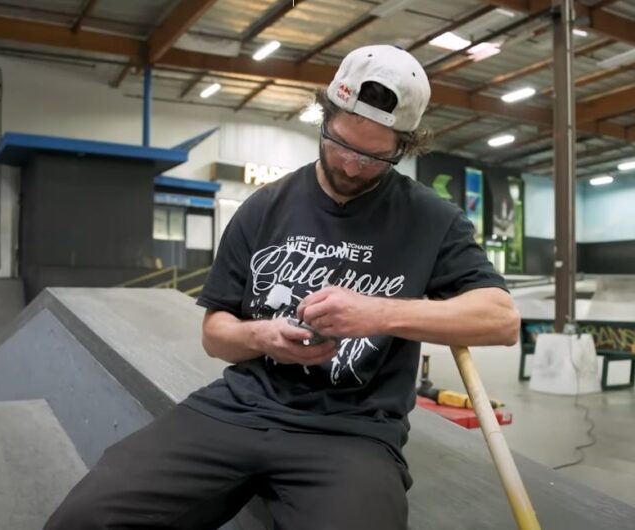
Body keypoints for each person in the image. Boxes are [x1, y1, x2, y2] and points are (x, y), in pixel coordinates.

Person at [45, 44, 520, 530]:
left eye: (375, 158)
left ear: (404, 147)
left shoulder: (431, 219)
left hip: (352, 433)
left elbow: (501, 320)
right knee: (85, 519)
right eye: (341, 144)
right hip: (239, 408)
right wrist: (262, 337)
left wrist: (377, 313)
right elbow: (215, 334)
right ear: (325, 116)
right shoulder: (264, 206)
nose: (352, 166)